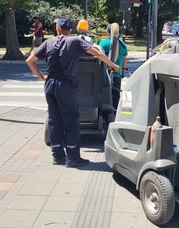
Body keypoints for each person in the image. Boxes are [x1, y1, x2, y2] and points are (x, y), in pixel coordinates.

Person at [26, 17, 120, 168]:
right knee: (71, 121)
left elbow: (30, 60)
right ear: (70, 30)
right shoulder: (75, 42)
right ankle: (73, 158)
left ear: (57, 29)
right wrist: (113, 65)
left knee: (54, 119)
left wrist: (42, 77)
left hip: (50, 84)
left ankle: (57, 156)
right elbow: (97, 53)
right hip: (65, 85)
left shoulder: (48, 43)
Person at [99, 23, 128, 110]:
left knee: (105, 94)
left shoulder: (103, 43)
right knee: (116, 95)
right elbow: (124, 60)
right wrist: (122, 72)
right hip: (117, 74)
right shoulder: (123, 45)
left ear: (108, 32)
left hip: (105, 74)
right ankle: (115, 112)